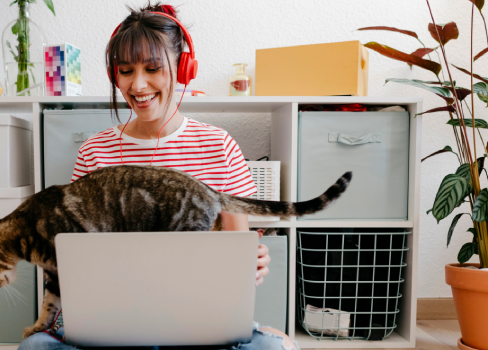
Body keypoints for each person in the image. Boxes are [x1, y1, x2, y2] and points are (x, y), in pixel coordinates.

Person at [19, 3, 298, 350]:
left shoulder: (218, 145)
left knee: (274, 347)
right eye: (125, 71)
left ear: (182, 68)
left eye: (153, 68)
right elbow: (77, 256)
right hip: (114, 322)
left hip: (200, 321)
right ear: (113, 75)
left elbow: (239, 255)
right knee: (35, 349)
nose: (138, 85)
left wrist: (250, 264)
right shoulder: (94, 151)